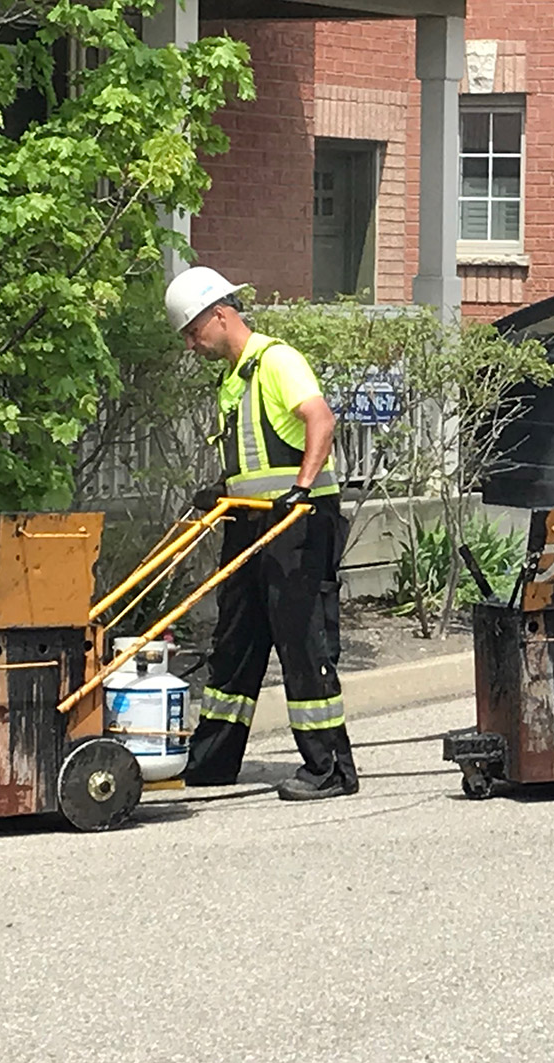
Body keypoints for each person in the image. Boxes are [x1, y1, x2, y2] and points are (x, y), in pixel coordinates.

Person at [164, 265, 358, 800]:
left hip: (298, 523)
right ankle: (215, 759)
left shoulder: (276, 361)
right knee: (236, 639)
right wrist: (220, 490)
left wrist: (301, 486)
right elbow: (257, 457)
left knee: (300, 640)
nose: (190, 344)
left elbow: (319, 419)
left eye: (192, 331)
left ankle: (331, 768)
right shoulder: (234, 378)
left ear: (220, 315)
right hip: (250, 521)